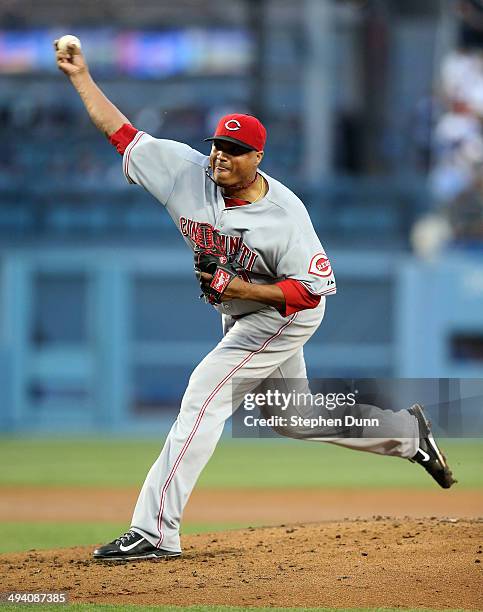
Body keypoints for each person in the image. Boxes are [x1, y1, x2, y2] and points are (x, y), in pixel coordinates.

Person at [55, 40, 456, 562]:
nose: (222, 154)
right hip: (242, 310)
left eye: (235, 149)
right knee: (294, 415)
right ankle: (408, 434)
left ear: (257, 158)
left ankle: (155, 531)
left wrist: (241, 289)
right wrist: (80, 76)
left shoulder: (285, 215)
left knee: (204, 394)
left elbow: (310, 289)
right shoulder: (185, 170)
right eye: (219, 144)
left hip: (283, 315)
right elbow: (122, 134)